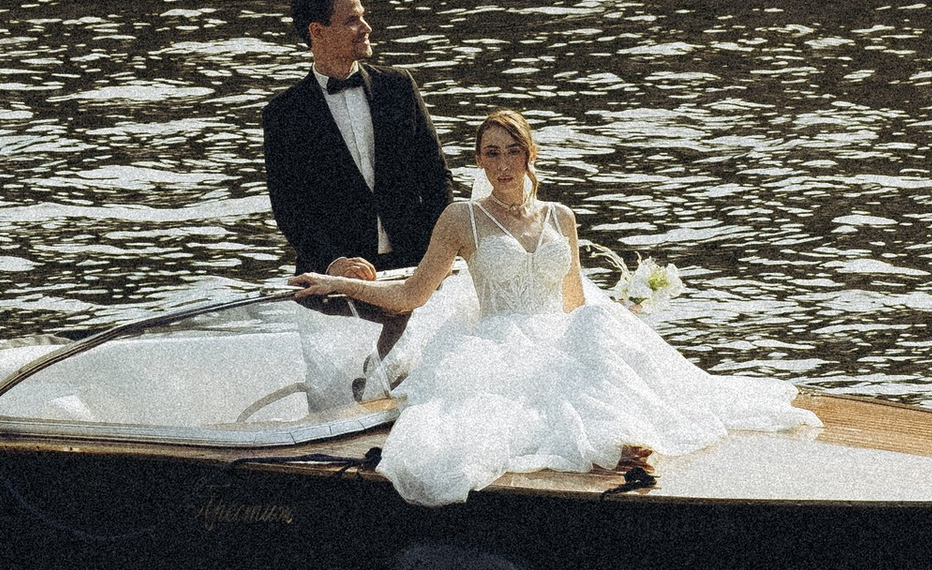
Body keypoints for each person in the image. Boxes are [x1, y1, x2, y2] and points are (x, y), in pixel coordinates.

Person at [294, 107, 818, 509]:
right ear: (479, 161)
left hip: (554, 330)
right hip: (495, 339)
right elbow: (410, 295)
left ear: (530, 154)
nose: (503, 165)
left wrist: (619, 318)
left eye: (512, 151)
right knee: (507, 415)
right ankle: (608, 443)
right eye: (491, 153)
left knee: (597, 325)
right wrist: (332, 282)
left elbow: (573, 302)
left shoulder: (560, 216)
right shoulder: (460, 218)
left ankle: (621, 436)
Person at [261, 0, 456, 282]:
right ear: (318, 31)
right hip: (335, 279)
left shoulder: (399, 86)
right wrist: (333, 262)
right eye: (352, 20)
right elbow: (290, 209)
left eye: (362, 16)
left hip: (418, 267)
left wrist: (439, 249)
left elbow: (435, 176)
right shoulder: (284, 113)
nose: (366, 27)